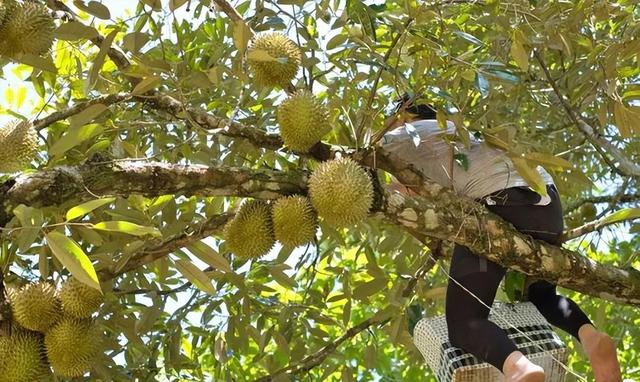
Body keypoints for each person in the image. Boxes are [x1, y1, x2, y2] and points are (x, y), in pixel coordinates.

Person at [379, 94, 623, 382]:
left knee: (464, 322)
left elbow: (366, 169)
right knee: (540, 298)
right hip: (548, 208)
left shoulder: (399, 136)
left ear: (405, 114)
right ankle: (590, 336)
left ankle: (519, 369)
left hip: (502, 205)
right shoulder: (459, 133)